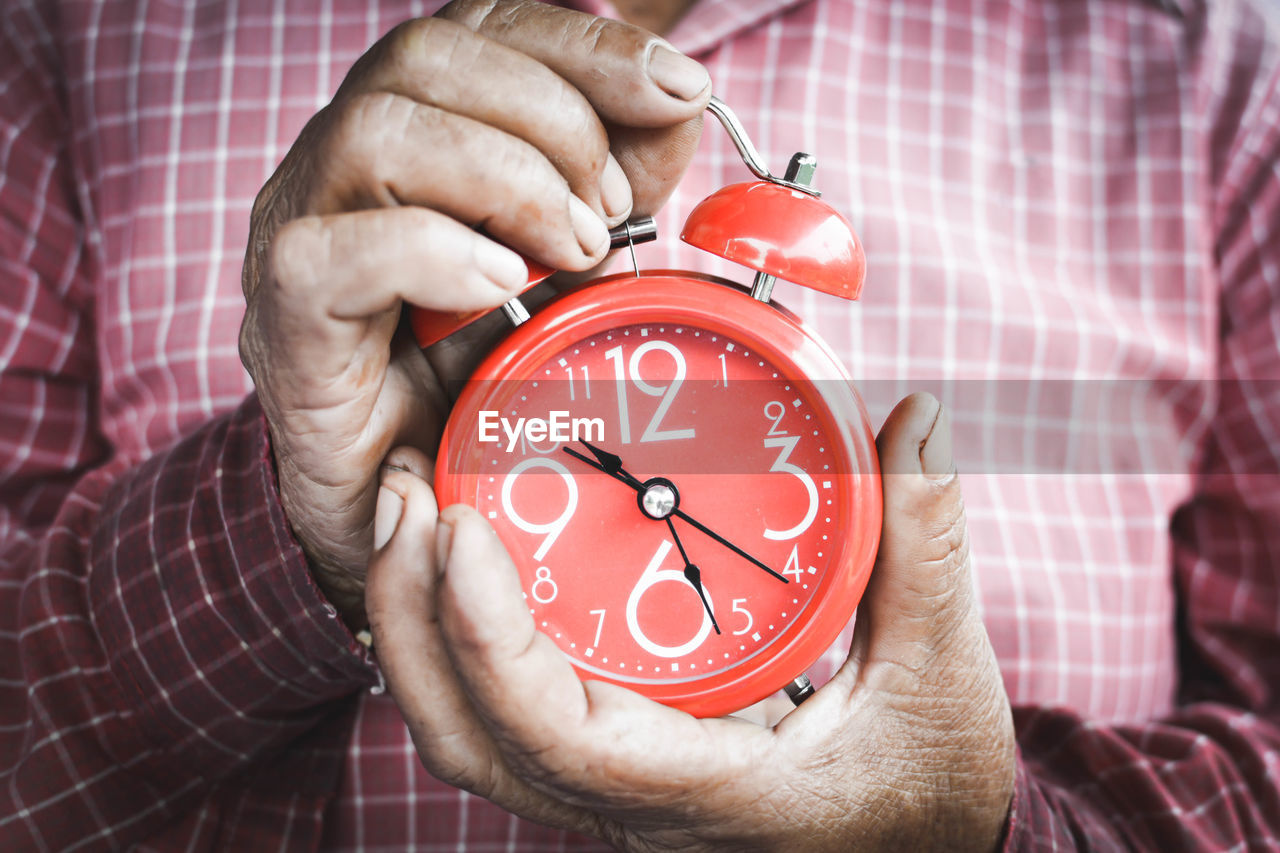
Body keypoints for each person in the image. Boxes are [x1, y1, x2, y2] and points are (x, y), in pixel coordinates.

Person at [1, 0, 1277, 848]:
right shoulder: (75, 34)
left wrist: (979, 827)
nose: (658, 495)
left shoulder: (1203, 78)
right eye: (646, 483)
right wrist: (290, 524)